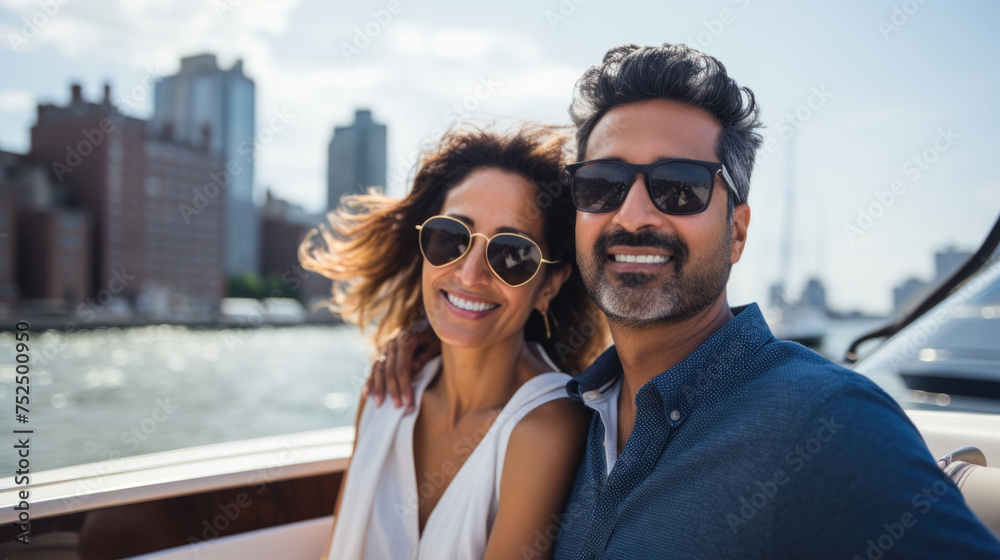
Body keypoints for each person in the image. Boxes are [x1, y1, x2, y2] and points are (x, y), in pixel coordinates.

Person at [367, 43, 1000, 558]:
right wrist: (425, 335)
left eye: (678, 187)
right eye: (603, 185)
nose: (633, 215)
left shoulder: (824, 420)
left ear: (738, 230)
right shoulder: (574, 418)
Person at [300, 123, 610, 559]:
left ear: (549, 285)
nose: (469, 274)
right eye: (451, 239)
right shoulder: (383, 395)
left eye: (511, 254)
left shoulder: (545, 429)